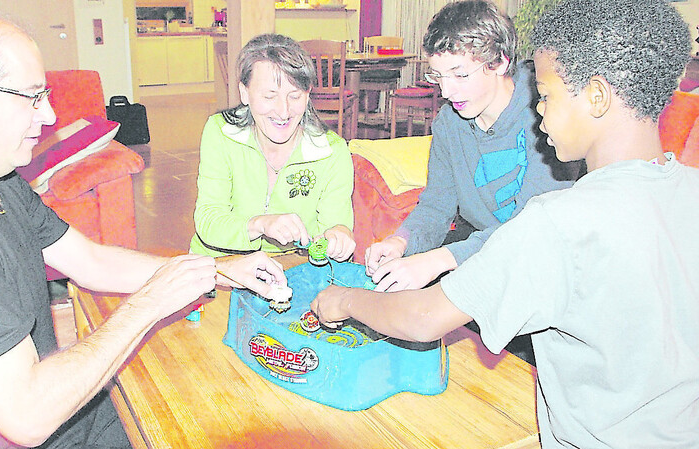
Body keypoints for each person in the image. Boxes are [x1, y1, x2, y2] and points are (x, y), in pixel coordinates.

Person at [313, 0, 699, 447]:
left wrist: (344, 299)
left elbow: (423, 317)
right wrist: (405, 242)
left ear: (596, 97)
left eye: (548, 96)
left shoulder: (555, 222)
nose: (540, 112)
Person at [0, 12, 286, 449]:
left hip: (68, 410)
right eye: (31, 97)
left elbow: (91, 262)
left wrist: (218, 271)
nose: (48, 114)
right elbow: (27, 417)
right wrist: (150, 303)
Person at [364, 0, 581, 293]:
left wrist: (440, 259)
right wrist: (400, 241)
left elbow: (532, 228)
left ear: (500, 62)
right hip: (481, 249)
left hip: (544, 257)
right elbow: (436, 206)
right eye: (437, 76)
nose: (446, 91)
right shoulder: (449, 123)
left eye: (460, 74)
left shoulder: (546, 114)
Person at [189, 33, 356, 261]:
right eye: (270, 96)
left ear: (307, 96)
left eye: (295, 96)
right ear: (244, 93)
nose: (283, 111)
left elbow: (337, 225)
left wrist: (339, 237)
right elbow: (209, 221)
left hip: (292, 267)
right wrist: (259, 225)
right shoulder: (220, 132)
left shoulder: (332, 152)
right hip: (220, 263)